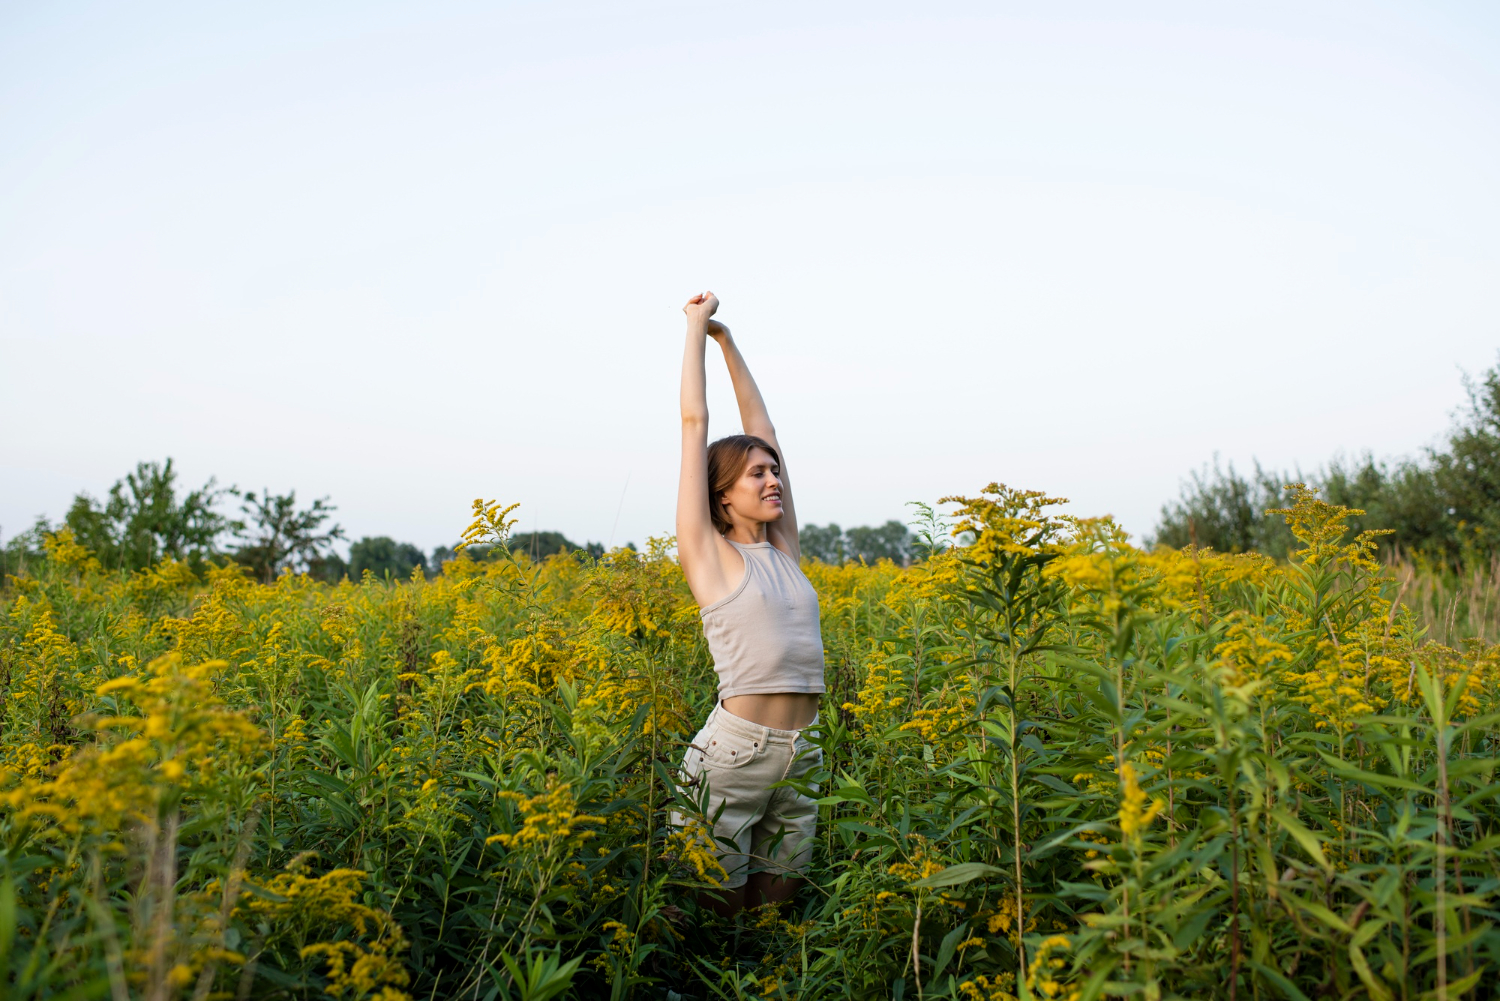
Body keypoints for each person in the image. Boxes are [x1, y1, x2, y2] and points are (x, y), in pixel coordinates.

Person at [672, 290, 826, 916]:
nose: (773, 479)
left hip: (806, 752)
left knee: (772, 924)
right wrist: (695, 327)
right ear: (721, 494)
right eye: (756, 475)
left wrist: (729, 345)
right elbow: (694, 426)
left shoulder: (782, 550)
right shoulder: (709, 555)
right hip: (734, 756)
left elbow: (764, 429)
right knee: (705, 922)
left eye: (775, 471)